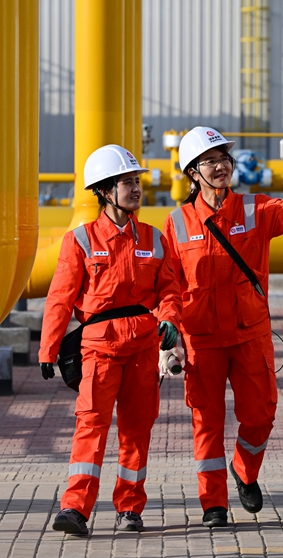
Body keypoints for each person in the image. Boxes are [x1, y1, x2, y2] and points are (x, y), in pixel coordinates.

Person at [162, 126, 283, 528]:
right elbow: (168, 283)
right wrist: (167, 330)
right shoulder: (178, 223)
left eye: (225, 159)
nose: (221, 167)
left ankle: (244, 470)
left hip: (249, 332)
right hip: (200, 338)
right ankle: (213, 504)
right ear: (192, 172)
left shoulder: (253, 209)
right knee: (207, 422)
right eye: (210, 161)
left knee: (260, 414)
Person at [39, 144, 182, 537]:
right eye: (127, 182)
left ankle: (130, 510)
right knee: (91, 426)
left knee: (137, 430)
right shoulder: (80, 240)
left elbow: (169, 290)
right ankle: (75, 509)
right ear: (104, 190)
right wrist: (48, 349)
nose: (136, 188)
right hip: (98, 350)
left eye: (137, 181)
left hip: (142, 346)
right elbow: (60, 297)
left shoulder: (154, 239)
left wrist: (168, 320)